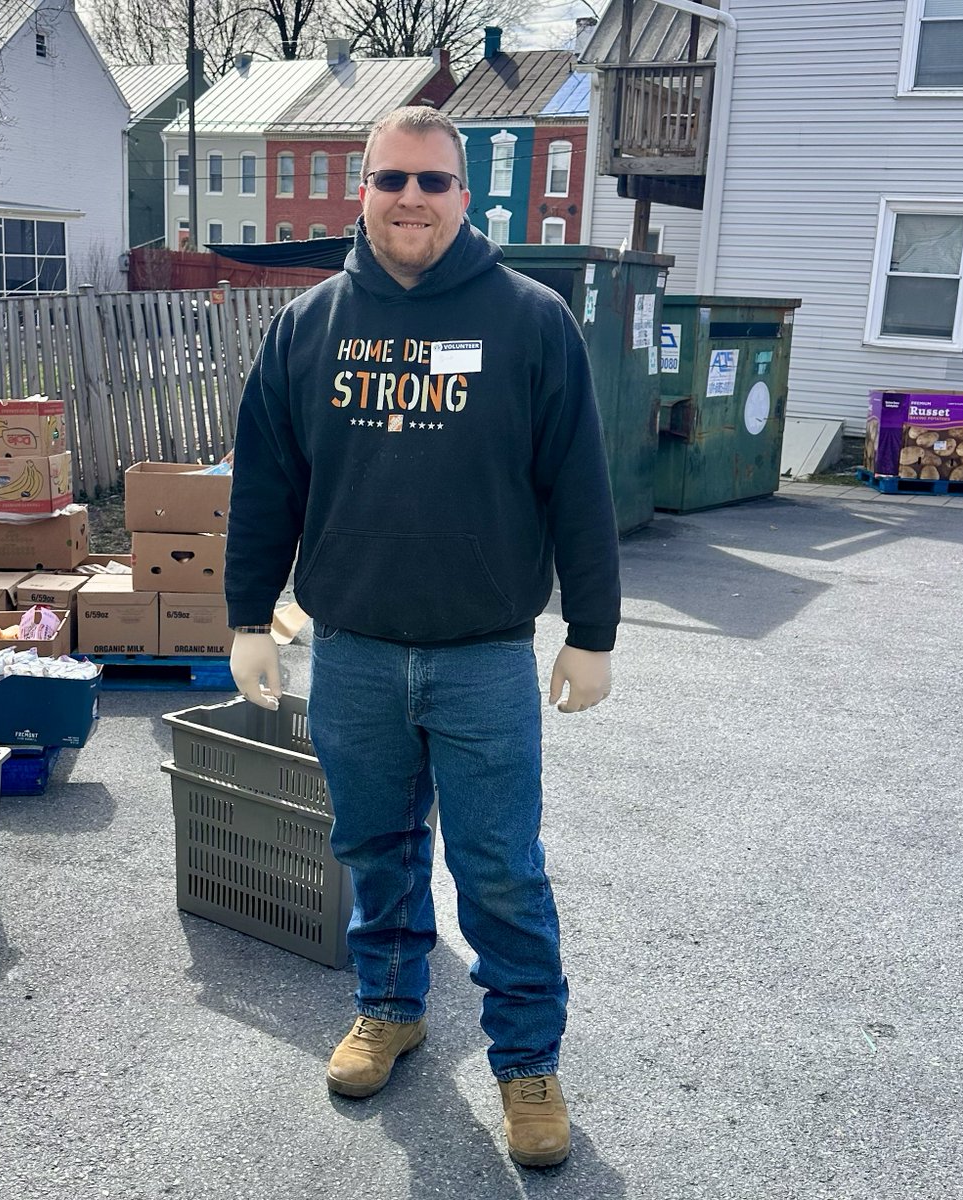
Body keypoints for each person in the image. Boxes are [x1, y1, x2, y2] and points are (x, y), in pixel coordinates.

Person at [224, 106, 620, 1169]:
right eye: (391, 178)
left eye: (432, 181)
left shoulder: (531, 321)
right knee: (375, 848)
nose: (411, 198)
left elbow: (578, 487)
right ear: (362, 188)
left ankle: (526, 1063)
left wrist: (592, 630)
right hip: (352, 651)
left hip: (483, 655)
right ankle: (390, 1006)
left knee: (498, 871)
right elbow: (265, 486)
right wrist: (246, 615)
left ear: (465, 195)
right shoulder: (308, 327)